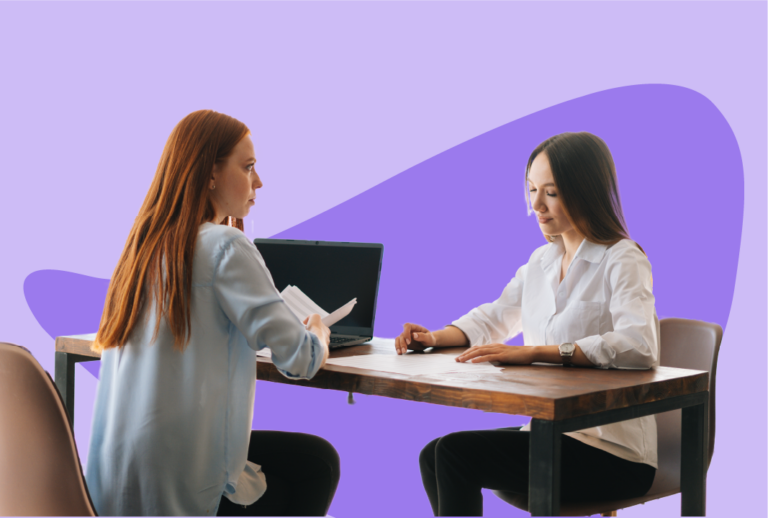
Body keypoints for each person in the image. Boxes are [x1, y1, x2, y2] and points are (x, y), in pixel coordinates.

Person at [86, 110, 340, 516]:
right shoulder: (226, 246)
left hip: (113, 489)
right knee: (317, 462)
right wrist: (317, 330)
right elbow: (300, 359)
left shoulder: (142, 248)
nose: (259, 181)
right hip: (182, 490)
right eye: (249, 166)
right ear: (210, 174)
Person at [395, 132, 659, 516]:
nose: (536, 204)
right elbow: (494, 317)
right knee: (434, 456)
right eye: (532, 189)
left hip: (614, 451)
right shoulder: (540, 262)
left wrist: (536, 352)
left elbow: (640, 345)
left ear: (584, 190)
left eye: (550, 192)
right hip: (554, 434)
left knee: (454, 454)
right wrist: (433, 337)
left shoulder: (623, 259)